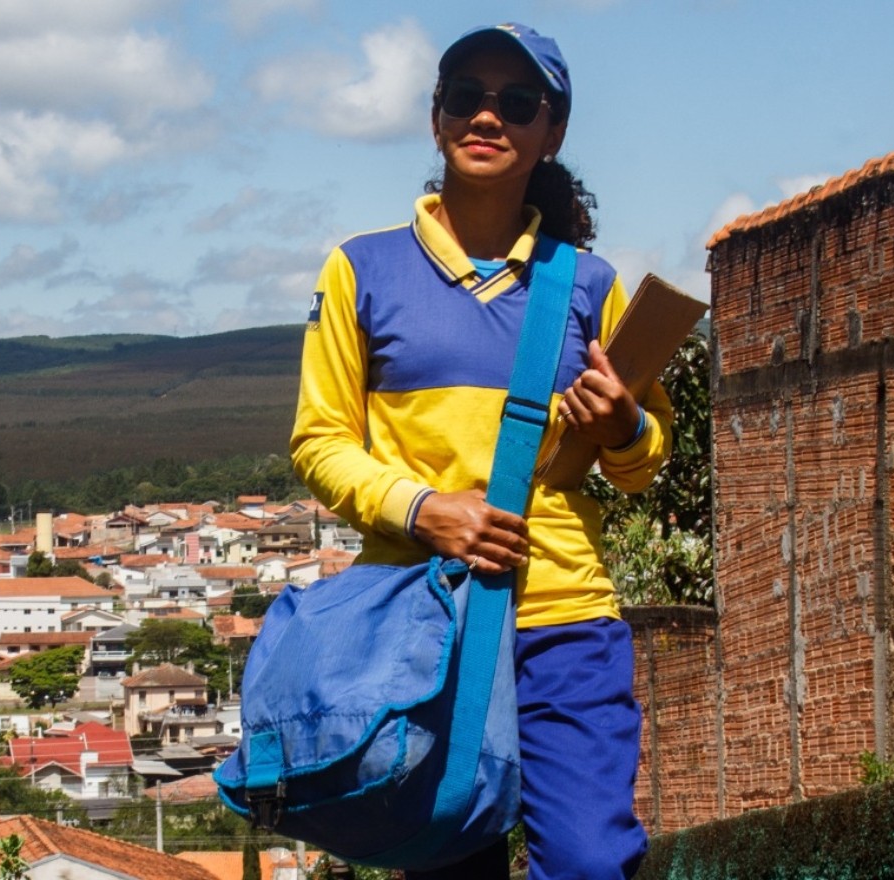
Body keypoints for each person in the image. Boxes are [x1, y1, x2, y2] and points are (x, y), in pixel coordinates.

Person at [289, 21, 672, 880]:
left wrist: (623, 427)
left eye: (518, 101)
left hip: (563, 619)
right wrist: (426, 511)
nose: (488, 117)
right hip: (422, 621)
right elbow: (319, 442)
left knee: (589, 861)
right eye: (467, 97)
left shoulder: (591, 286)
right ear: (436, 119)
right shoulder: (362, 270)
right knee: (441, 866)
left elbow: (646, 459)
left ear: (553, 131)